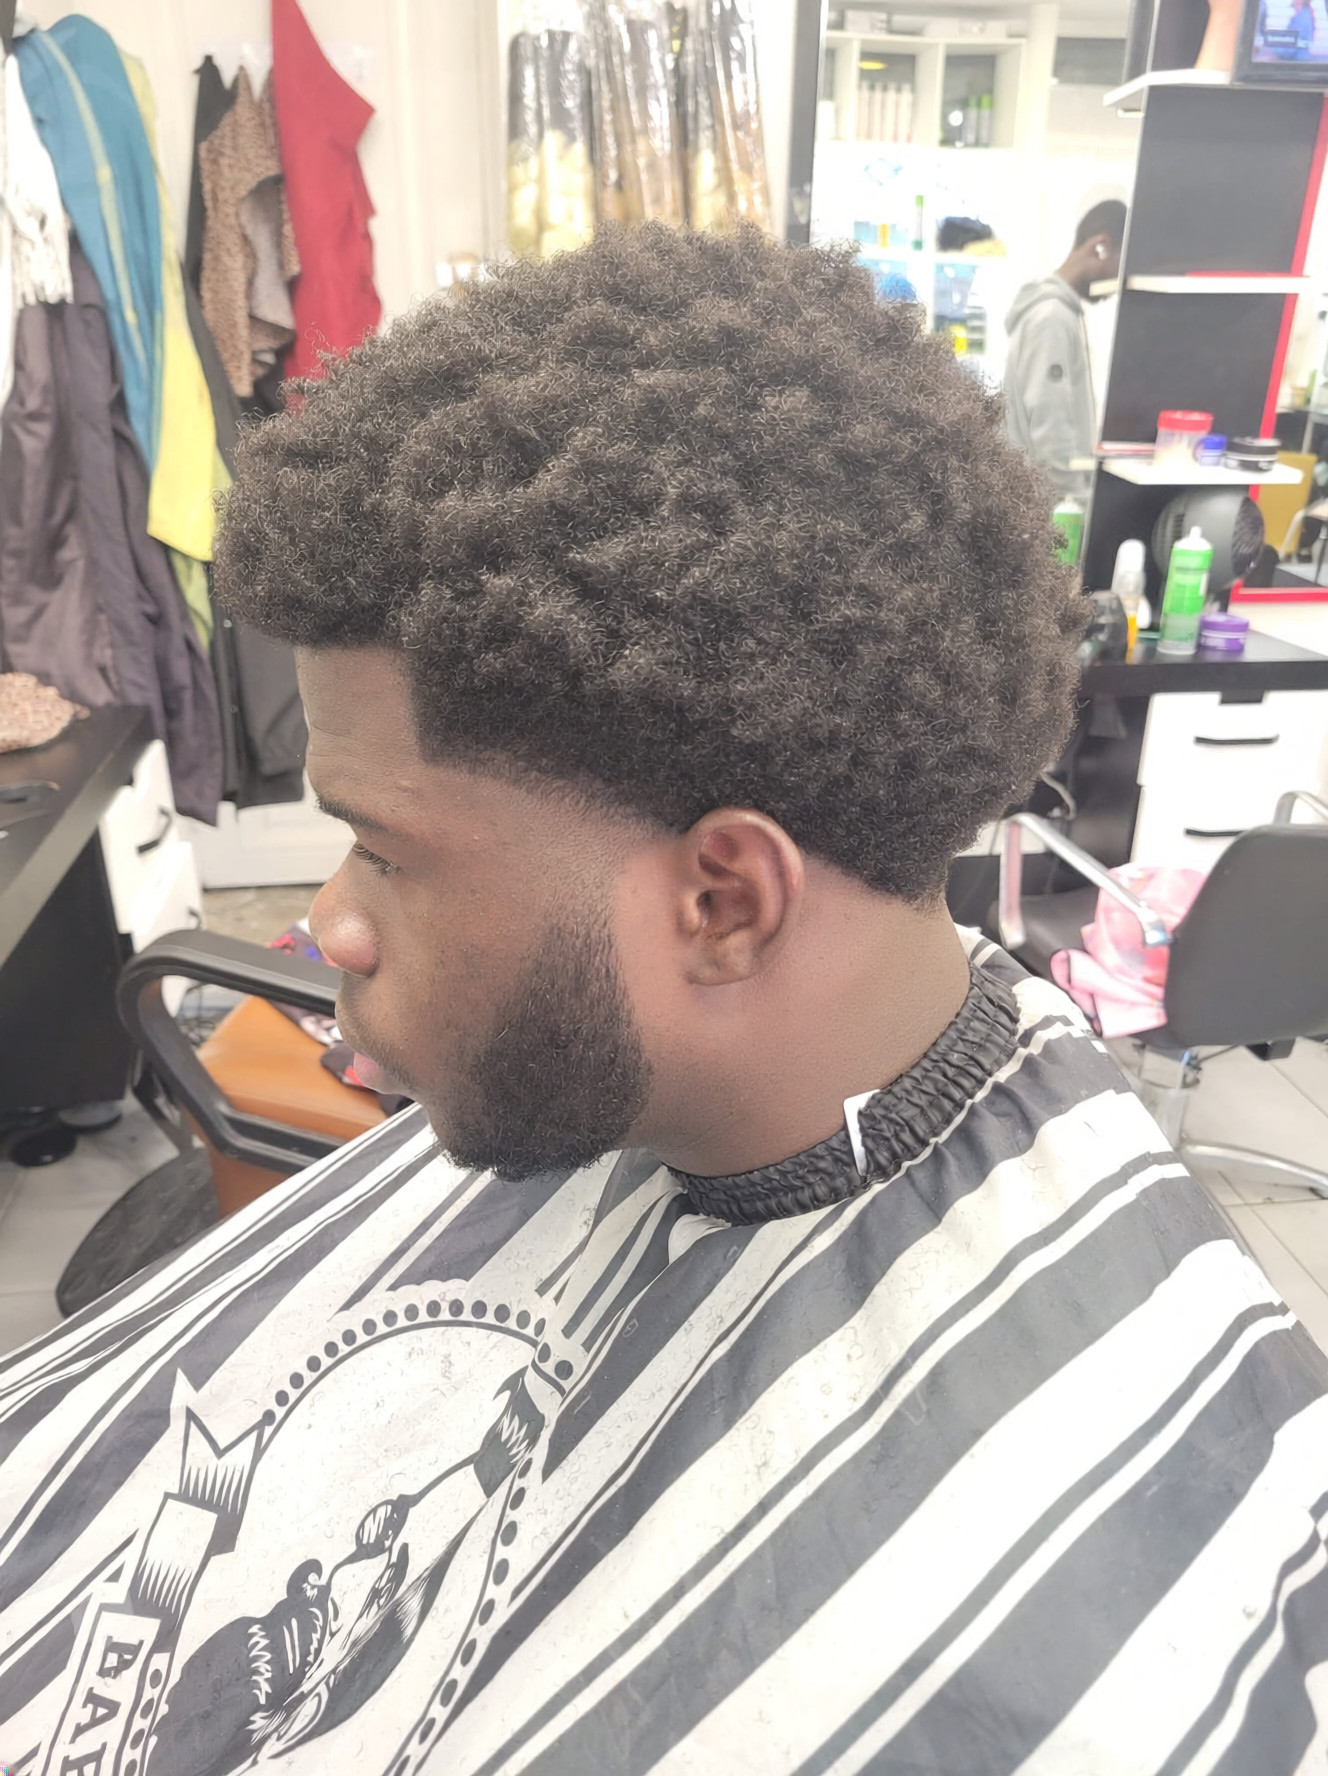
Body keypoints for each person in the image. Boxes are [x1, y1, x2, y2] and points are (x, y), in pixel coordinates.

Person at [2, 225, 1326, 1776]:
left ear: (723, 902)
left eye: (387, 853)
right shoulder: (631, 1061)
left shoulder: (1088, 1651)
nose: (331, 926)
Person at [1004, 199, 1127, 499]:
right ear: (1100, 247)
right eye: (1120, 269)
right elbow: (1051, 424)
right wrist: (1076, 500)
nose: (1116, 285)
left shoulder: (1059, 313)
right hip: (1047, 504)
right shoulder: (1052, 318)